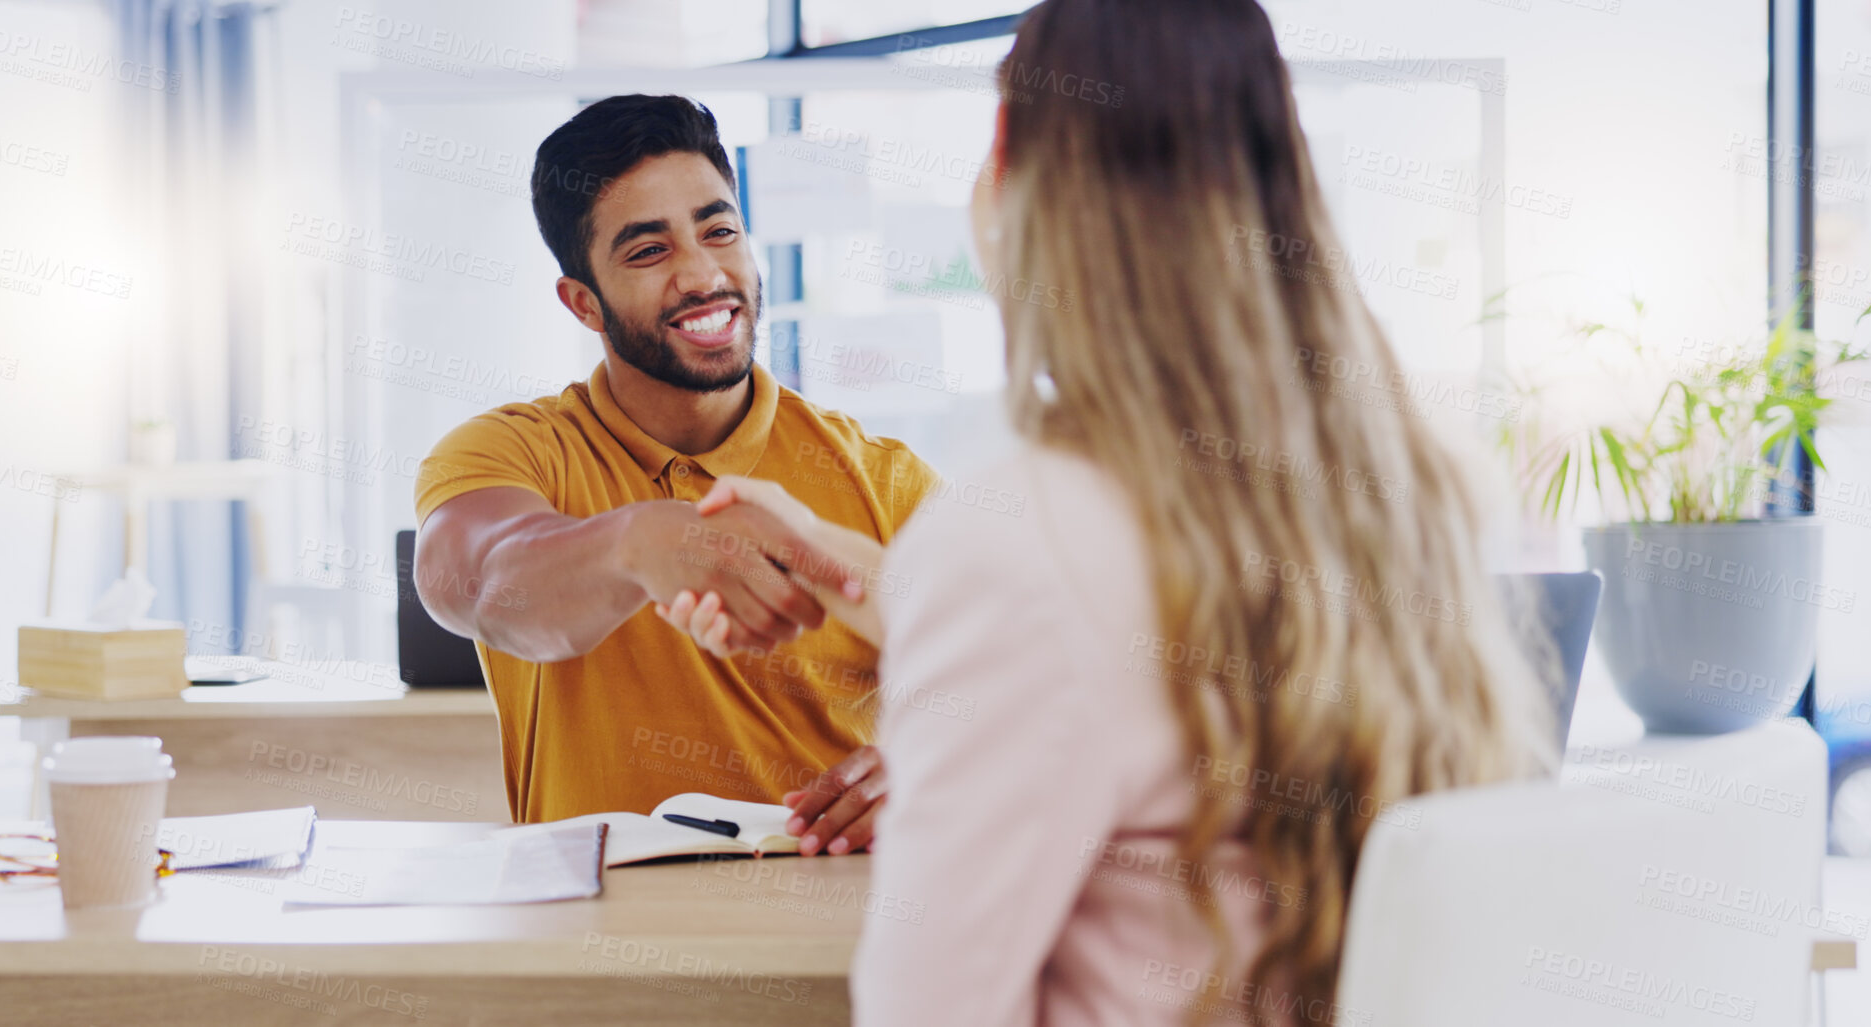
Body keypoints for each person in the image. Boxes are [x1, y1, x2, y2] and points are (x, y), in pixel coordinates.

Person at [657, 0, 1558, 1022]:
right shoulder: (1399, 495)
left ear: (1010, 176)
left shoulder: (1022, 536)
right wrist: (831, 559)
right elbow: (1120, 654)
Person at [411, 94, 936, 857]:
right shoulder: (511, 449)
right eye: (648, 251)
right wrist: (639, 542)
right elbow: (479, 585)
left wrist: (932, 767)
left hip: (834, 939)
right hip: (592, 942)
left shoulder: (884, 479)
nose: (702, 274)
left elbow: (1032, 680)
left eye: (719, 231)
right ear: (583, 303)